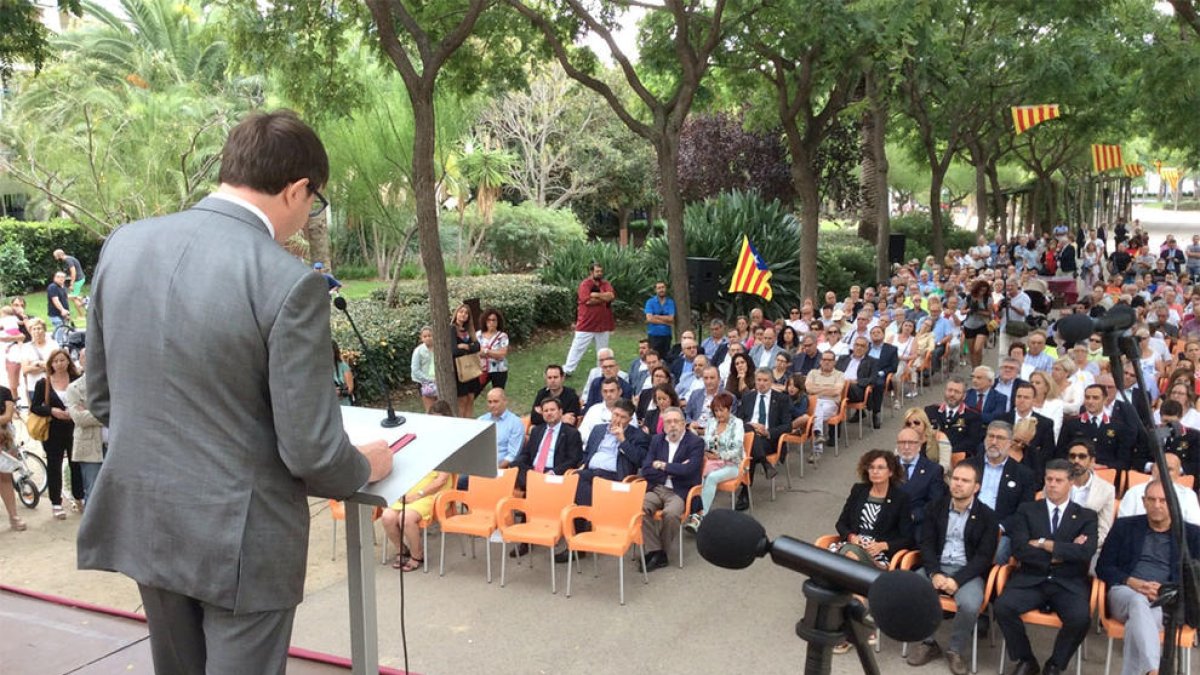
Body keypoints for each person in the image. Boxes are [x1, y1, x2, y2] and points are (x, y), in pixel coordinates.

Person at [76, 111, 393, 675]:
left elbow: (102, 395)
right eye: (313, 202)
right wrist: (363, 466)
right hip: (242, 541)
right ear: (298, 190)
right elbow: (312, 451)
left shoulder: (124, 245)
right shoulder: (289, 281)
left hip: (148, 518)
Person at [994, 459, 1097, 675]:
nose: (1052, 484)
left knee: (1080, 618)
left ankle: (1055, 665)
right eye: (1049, 479)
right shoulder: (1027, 510)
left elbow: (1085, 553)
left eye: (1058, 480)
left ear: (1071, 483)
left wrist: (1044, 544)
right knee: (1003, 607)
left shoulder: (1086, 516)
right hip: (1031, 579)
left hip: (1068, 583)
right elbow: (1020, 550)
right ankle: (1026, 659)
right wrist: (1062, 552)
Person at [907, 462, 999, 674]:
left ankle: (955, 650)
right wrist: (934, 573)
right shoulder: (935, 507)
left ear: (976, 487)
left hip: (967, 572)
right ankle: (928, 643)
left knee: (969, 604)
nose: (958, 484)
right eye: (955, 479)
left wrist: (957, 580)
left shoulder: (988, 517)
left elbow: (984, 557)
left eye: (965, 481)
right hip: (937, 566)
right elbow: (927, 544)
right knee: (912, 590)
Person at [1101, 479, 1200, 675]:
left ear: (1173, 502)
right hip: (1125, 592)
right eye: (1152, 499)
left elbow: (1195, 577)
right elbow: (1103, 566)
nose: (1157, 505)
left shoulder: (1191, 534)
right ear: (1143, 501)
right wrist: (1133, 582)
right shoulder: (1124, 527)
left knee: (1136, 624)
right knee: (1138, 601)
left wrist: (1165, 590)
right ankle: (1154, 670)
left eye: (1163, 500)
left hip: (1165, 602)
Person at [383, 401, 451, 572]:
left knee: (405, 518)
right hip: (412, 489)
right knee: (387, 517)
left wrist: (418, 494)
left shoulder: (448, 443)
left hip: (432, 492)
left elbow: (441, 480)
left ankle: (417, 554)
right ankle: (401, 550)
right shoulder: (422, 441)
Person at [639, 407, 703, 572]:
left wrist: (662, 465)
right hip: (657, 488)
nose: (672, 425)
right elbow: (646, 469)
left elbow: (689, 471)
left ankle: (659, 552)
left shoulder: (695, 442)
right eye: (668, 422)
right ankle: (656, 551)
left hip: (680, 491)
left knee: (672, 514)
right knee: (640, 508)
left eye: (676, 421)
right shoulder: (656, 440)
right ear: (663, 425)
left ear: (683, 423)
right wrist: (674, 470)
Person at [966, 421, 1038, 563]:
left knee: (999, 552)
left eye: (1000, 438)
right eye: (990, 436)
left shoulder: (1023, 474)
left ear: (1010, 443)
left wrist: (1001, 527)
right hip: (966, 520)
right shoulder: (968, 466)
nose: (993, 442)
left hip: (1000, 528)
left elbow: (1024, 511)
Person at [833, 449, 914, 568]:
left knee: (850, 557)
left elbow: (908, 538)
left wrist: (882, 546)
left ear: (890, 472)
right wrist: (852, 537)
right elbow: (841, 524)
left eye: (880, 468)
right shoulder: (858, 490)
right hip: (852, 545)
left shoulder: (900, 498)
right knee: (849, 554)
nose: (875, 471)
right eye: (871, 467)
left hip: (878, 553)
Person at [574, 399, 649, 526]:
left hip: (614, 476)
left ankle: (587, 526)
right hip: (590, 472)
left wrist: (623, 441)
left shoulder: (638, 435)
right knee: (576, 478)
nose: (618, 419)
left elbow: (640, 460)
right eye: (615, 415)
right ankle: (584, 528)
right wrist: (583, 463)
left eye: (623, 417)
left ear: (630, 420)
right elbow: (587, 453)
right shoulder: (598, 429)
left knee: (586, 487)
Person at [32, 348, 82, 519]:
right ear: (50, 364)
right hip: (53, 430)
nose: (59, 364)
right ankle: (56, 502)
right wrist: (51, 410)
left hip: (75, 427)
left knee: (76, 463)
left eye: (62, 360)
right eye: (56, 361)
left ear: (68, 361)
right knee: (54, 465)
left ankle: (79, 497)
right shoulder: (43, 383)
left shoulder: (77, 379)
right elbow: (35, 406)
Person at [685, 392, 744, 533]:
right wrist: (706, 453)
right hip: (711, 462)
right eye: (716, 410)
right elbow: (705, 443)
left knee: (711, 477)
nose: (719, 414)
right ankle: (691, 510)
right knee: (694, 472)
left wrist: (719, 455)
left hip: (732, 464)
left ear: (729, 409)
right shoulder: (711, 422)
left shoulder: (737, 423)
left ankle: (699, 517)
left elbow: (737, 449)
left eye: (722, 410)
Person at [736, 368, 791, 509]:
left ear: (771, 382)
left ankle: (745, 493)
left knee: (750, 450)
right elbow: (737, 421)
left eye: (765, 380)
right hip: (747, 436)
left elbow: (787, 426)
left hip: (768, 440)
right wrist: (750, 426)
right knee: (750, 437)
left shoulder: (781, 399)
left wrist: (767, 432)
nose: (761, 383)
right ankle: (765, 464)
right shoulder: (748, 397)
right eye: (759, 380)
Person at [1057, 384, 1135, 471]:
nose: (1090, 401)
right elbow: (1060, 455)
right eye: (1087, 397)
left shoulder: (1118, 427)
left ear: (1105, 400)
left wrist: (1104, 466)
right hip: (1076, 472)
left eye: (1095, 398)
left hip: (1106, 475)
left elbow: (1124, 461)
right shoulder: (1071, 425)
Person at [63, 348, 104, 507]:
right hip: (90, 447)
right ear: (80, 361)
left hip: (115, 445)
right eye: (86, 358)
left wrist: (91, 412)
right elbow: (79, 418)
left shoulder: (114, 384)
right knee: (93, 492)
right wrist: (108, 415)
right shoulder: (74, 388)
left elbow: (123, 412)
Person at [563, 263, 615, 378]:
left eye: (601, 271)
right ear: (591, 272)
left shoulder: (605, 284)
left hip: (603, 324)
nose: (599, 273)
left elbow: (611, 296)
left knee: (602, 350)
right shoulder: (585, 284)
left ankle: (601, 371)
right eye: (597, 271)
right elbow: (586, 301)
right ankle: (568, 370)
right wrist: (603, 298)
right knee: (577, 347)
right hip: (586, 323)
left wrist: (595, 294)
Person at [1117, 453, 1200, 525]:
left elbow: (1195, 527)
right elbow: (1122, 525)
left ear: (1179, 473)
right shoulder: (1134, 492)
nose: (1163, 472)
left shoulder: (1188, 495)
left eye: (1169, 469)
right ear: (1152, 469)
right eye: (1160, 467)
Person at [895, 425, 946, 537]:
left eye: (911, 443)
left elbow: (936, 503)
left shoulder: (933, 470)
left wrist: (914, 515)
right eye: (902, 443)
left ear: (919, 445)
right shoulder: (888, 466)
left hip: (915, 525)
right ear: (897, 445)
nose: (906, 447)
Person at [1063, 438, 1116, 547]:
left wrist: (1085, 546)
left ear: (1092, 461)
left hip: (1089, 549)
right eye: (1072, 456)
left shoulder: (1106, 490)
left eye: (1082, 457)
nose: (1076, 461)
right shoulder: (1055, 482)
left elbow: (1104, 529)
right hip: (1056, 545)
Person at [1001, 382, 1057, 479]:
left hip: (1032, 471)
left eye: (1026, 397)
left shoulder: (1045, 423)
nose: (1021, 400)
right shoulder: (1001, 420)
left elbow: (1048, 453)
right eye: (1019, 396)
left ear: (1034, 400)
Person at [476, 388, 525, 474]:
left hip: (500, 469)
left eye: (496, 401)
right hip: (478, 466)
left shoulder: (515, 423)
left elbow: (512, 455)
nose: (492, 405)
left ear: (505, 401)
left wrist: (494, 469)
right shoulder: (481, 420)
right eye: (489, 402)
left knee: (461, 481)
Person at [450, 303, 481, 418]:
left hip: (471, 369)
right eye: (461, 311)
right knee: (462, 400)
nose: (463, 314)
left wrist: (466, 347)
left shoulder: (469, 330)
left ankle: (470, 421)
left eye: (466, 313)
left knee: (471, 398)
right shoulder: (452, 329)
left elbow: (477, 347)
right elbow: (454, 350)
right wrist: (469, 348)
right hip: (459, 370)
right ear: (456, 313)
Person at [0, 383, 24, 531]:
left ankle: (13, 516)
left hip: (4, 439)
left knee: (5, 477)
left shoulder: (4, 392)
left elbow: (8, 416)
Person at [476, 308, 510, 392]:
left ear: (498, 322)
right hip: (481, 370)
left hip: (499, 370)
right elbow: (476, 352)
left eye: (494, 320)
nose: (491, 322)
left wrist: (486, 351)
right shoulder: (478, 335)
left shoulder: (502, 336)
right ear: (484, 321)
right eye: (489, 320)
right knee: (473, 393)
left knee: (498, 394)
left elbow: (502, 354)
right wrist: (494, 353)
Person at [963, 280, 992, 368]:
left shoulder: (988, 299)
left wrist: (978, 311)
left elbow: (989, 313)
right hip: (969, 325)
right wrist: (969, 310)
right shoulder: (969, 298)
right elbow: (962, 311)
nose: (982, 292)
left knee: (977, 349)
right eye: (981, 290)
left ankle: (979, 367)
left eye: (984, 290)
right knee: (971, 350)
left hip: (982, 325)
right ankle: (974, 368)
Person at [1029, 371, 1064, 442]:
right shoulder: (1024, 402)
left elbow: (1055, 429)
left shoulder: (1056, 405)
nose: (1033, 385)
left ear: (1046, 387)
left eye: (1037, 383)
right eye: (1031, 383)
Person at [644, 280, 675, 358]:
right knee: (653, 357)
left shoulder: (670, 302)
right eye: (659, 288)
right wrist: (665, 322)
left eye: (663, 287)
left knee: (666, 358)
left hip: (666, 335)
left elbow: (671, 318)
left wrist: (656, 316)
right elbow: (649, 318)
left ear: (666, 288)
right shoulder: (650, 302)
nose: (661, 290)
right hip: (654, 335)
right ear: (655, 290)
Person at [410, 326, 437, 412]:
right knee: (430, 409)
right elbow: (415, 369)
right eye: (425, 336)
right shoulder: (418, 351)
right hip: (425, 382)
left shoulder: (439, 348)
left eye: (430, 335)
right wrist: (430, 379)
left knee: (440, 407)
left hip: (438, 380)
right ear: (421, 338)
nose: (428, 338)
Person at [54, 248, 88, 314]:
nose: (55, 258)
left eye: (55, 256)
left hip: (78, 280)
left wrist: (72, 284)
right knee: (74, 297)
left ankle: (82, 314)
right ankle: (84, 301)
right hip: (79, 279)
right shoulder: (69, 258)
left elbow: (73, 272)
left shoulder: (68, 260)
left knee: (73, 297)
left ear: (59, 255)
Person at [332, 340, 354, 406]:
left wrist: (340, 392)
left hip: (343, 405)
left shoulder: (343, 366)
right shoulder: (318, 368)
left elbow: (350, 388)